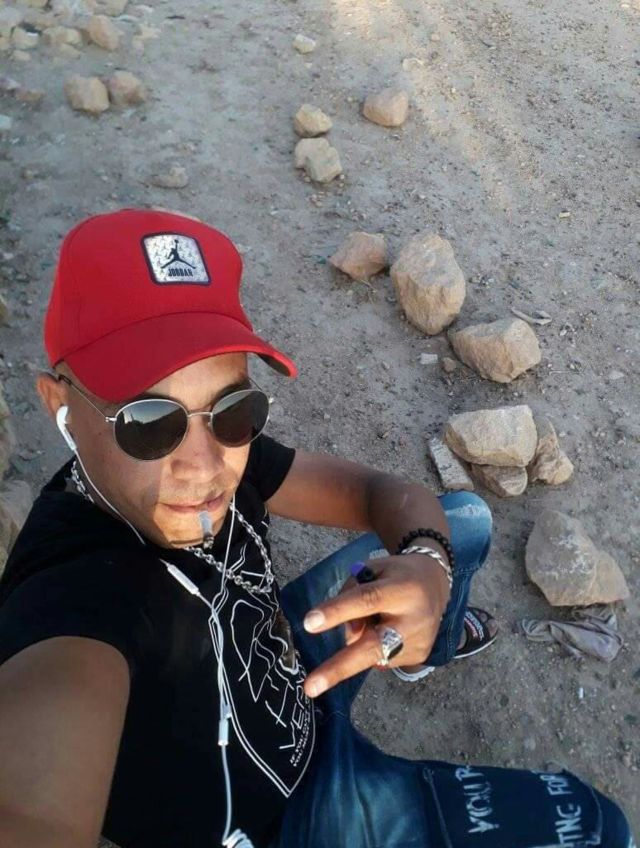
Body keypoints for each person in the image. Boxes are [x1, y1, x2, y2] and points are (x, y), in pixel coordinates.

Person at [0, 209, 632, 848]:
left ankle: (417, 643)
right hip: (295, 817)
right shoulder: (73, 601)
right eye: (148, 422)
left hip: (291, 657)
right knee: (602, 828)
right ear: (60, 404)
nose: (206, 465)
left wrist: (428, 568)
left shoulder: (228, 454)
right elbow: (37, 788)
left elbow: (375, 493)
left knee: (459, 522)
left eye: (233, 408)